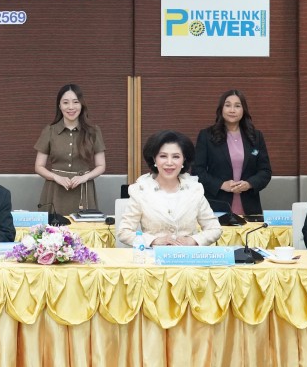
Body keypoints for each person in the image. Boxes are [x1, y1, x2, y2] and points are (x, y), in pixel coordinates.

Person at [116, 130, 222, 248]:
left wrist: (192, 240)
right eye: (163, 156)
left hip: (187, 256)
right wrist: (155, 240)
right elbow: (124, 232)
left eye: (176, 157)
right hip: (153, 256)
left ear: (184, 159)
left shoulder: (194, 189)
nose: (169, 163)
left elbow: (214, 229)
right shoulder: (140, 190)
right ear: (154, 159)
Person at [193, 89, 272, 217]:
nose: (232, 110)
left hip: (250, 207)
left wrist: (249, 184)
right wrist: (221, 185)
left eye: (237, 106)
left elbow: (265, 171)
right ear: (221, 109)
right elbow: (197, 171)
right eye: (228, 105)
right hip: (216, 207)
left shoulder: (256, 137)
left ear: (244, 110)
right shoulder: (207, 136)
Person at [34, 83, 107, 216]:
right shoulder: (49, 130)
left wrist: (85, 177)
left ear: (82, 105)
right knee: (53, 227)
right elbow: (39, 166)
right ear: (59, 106)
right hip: (55, 189)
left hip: (84, 190)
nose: (71, 107)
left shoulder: (94, 131)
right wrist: (56, 177)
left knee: (84, 227)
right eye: (66, 102)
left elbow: (101, 165)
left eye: (75, 102)